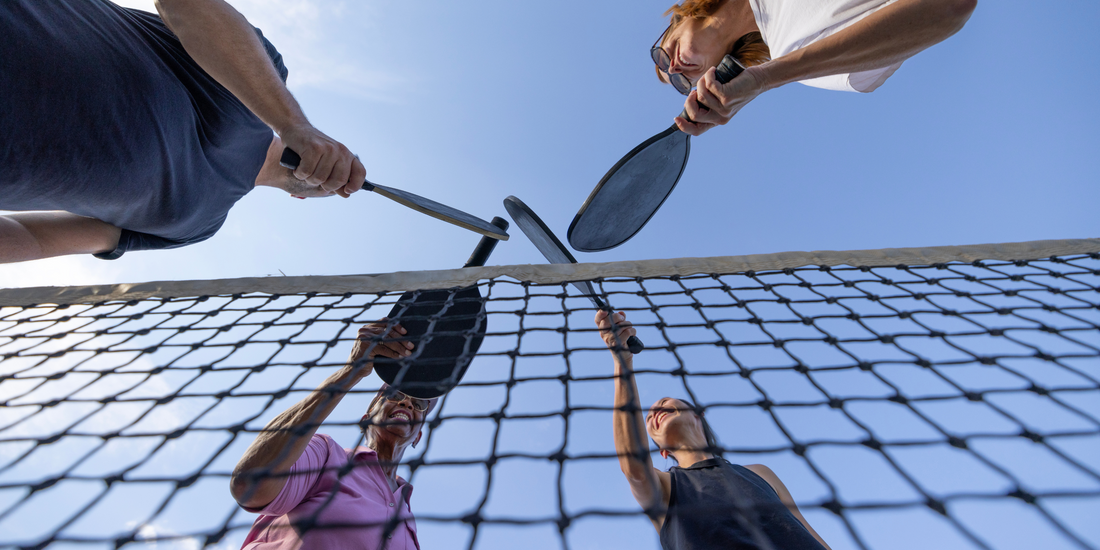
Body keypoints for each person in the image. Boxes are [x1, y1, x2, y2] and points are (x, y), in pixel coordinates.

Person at [0, 0, 365, 264]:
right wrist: (294, 124)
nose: (338, 176)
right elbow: (184, 5)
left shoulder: (198, 227)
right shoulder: (262, 75)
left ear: (300, 199)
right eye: (346, 163)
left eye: (341, 186)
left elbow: (37, 237)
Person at [595, 310, 831, 550]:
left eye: (665, 401)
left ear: (697, 413)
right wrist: (622, 361)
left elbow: (809, 534)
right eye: (649, 418)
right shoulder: (665, 487)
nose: (656, 409)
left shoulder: (761, 473)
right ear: (663, 451)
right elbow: (634, 469)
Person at [231, 319, 429, 549]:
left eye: (419, 404)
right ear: (366, 417)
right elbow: (250, 485)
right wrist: (351, 370)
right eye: (394, 394)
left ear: (418, 436)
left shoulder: (408, 520)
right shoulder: (325, 454)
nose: (406, 402)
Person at [651, 0, 978, 136]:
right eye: (682, 82)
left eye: (664, 58)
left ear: (676, 21)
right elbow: (948, 8)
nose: (678, 68)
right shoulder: (797, 55)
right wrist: (765, 78)